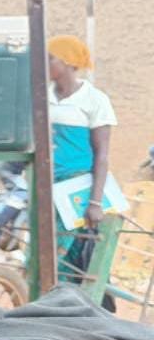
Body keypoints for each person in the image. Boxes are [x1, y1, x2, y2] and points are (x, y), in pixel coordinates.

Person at [47, 35, 117, 280]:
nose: (45, 64)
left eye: (51, 59)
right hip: (45, 188)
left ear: (67, 63)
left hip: (75, 189)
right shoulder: (42, 97)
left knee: (63, 257)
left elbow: (102, 155)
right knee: (44, 253)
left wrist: (95, 202)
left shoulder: (94, 100)